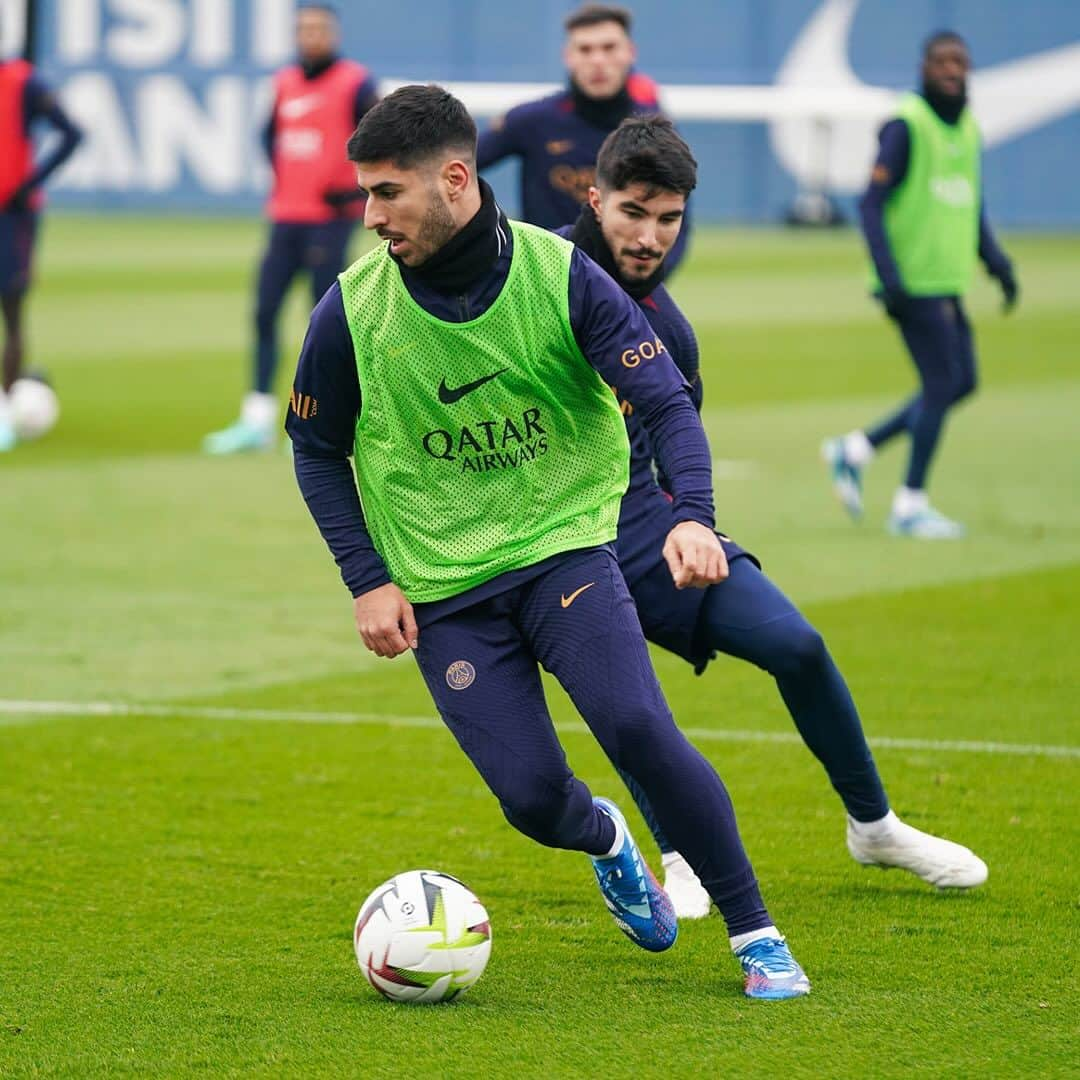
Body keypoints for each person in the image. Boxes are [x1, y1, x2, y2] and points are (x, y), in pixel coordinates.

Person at [287, 85, 810, 1000]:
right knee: (532, 800)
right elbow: (316, 448)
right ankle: (609, 840)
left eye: (386, 194)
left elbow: (665, 404)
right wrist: (366, 579)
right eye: (364, 195)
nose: (369, 217)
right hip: (444, 587)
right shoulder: (350, 311)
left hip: (564, 549)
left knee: (640, 728)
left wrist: (693, 514)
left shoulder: (558, 275)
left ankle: (756, 933)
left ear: (455, 180)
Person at [559, 115, 988, 917]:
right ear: (596, 198)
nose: (652, 237)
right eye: (634, 213)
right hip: (551, 541)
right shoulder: (533, 283)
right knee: (631, 701)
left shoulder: (669, 330)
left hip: (639, 524)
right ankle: (679, 856)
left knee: (797, 643)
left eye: (670, 219)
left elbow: (675, 438)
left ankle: (875, 826)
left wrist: (691, 518)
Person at [822, 31, 1017, 538]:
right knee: (940, 384)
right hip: (911, 284)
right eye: (942, 62)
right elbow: (870, 203)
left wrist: (996, 263)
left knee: (962, 381)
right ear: (924, 67)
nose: (952, 70)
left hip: (946, 280)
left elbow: (970, 203)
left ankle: (855, 450)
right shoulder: (906, 125)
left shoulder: (968, 128)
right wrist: (889, 278)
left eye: (960, 62)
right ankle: (909, 505)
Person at [204, 2, 378, 455]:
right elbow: (268, 135)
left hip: (329, 222)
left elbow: (382, 141)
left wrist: (351, 192)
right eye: (304, 29)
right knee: (264, 311)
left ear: (334, 33)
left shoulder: (356, 83)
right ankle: (257, 419)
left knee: (323, 323)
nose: (311, 36)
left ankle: (326, 416)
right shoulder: (284, 82)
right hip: (286, 217)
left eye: (320, 28)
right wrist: (288, 178)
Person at [476, 3, 690, 273]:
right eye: (586, 49)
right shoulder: (533, 121)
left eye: (609, 47)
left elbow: (678, 216)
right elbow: (456, 170)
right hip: (547, 284)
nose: (598, 60)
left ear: (629, 53)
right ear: (568, 56)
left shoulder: (654, 128)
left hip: (626, 288)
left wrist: (645, 283)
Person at [0, 51, 82, 451]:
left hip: (10, 217)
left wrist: (30, 184)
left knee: (11, 310)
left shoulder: (22, 82)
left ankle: (3, 414)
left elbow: (72, 132)